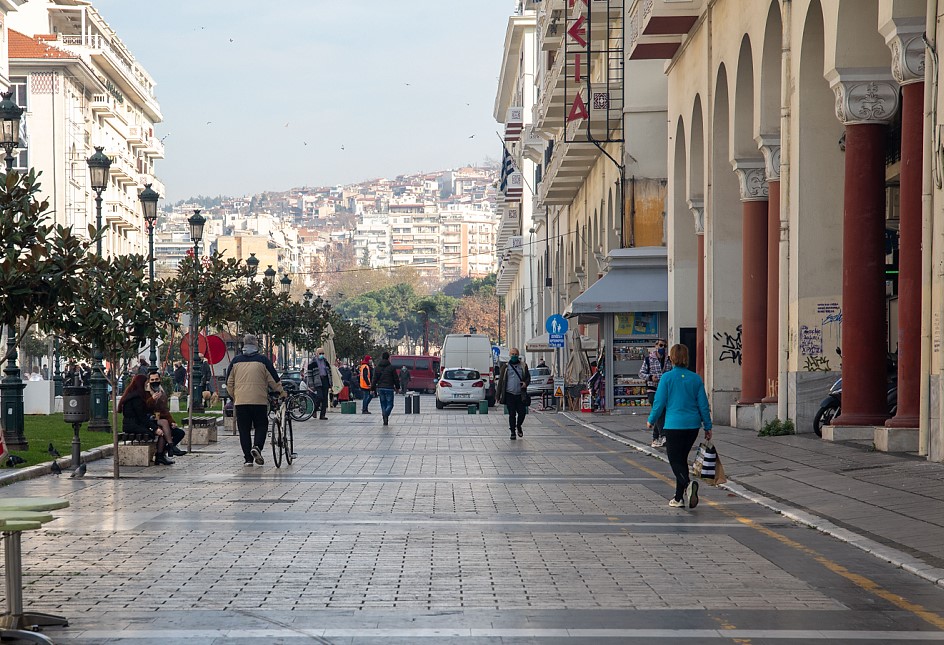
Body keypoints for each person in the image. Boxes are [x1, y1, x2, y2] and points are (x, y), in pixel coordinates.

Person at [647, 344, 712, 510]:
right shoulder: (695, 378)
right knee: (681, 460)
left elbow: (659, 402)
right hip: (692, 426)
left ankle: (689, 485)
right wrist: (708, 426)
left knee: (674, 460)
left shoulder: (667, 378)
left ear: (671, 358)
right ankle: (678, 498)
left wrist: (651, 419)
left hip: (674, 425)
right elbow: (703, 405)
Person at [226, 334, 286, 467]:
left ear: (243, 345)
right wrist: (281, 392)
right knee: (261, 425)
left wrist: (235, 397)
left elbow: (229, 383)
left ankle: (248, 459)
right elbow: (273, 380)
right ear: (256, 345)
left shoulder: (235, 361)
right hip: (259, 401)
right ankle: (257, 447)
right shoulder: (263, 360)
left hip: (241, 401)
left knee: (244, 430)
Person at [118, 374, 174, 466]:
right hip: (133, 425)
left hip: (133, 423)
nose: (146, 386)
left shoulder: (133, 394)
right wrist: (155, 429)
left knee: (162, 427)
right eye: (145, 384)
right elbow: (142, 417)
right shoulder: (136, 398)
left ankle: (163, 454)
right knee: (156, 433)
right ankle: (162, 454)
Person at [639, 338, 672, 448]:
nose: (662, 348)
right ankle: (663, 436)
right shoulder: (649, 359)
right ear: (656, 346)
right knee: (659, 410)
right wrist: (650, 377)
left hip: (664, 390)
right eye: (660, 345)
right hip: (652, 389)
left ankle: (655, 438)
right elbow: (641, 373)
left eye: (664, 346)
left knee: (661, 411)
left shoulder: (669, 359)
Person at [147, 372, 187, 456]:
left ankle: (167, 450)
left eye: (156, 379)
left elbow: (165, 410)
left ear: (160, 379)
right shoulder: (146, 392)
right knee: (163, 429)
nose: (155, 381)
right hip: (149, 421)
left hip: (160, 420)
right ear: (149, 381)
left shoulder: (162, 392)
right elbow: (144, 408)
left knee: (180, 433)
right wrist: (152, 399)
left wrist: (172, 422)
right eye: (152, 380)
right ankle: (167, 451)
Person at [497, 347, 531, 440]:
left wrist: (525, 383)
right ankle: (512, 432)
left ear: (518, 355)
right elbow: (501, 381)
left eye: (516, 354)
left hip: (520, 394)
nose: (514, 356)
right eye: (512, 354)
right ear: (509, 355)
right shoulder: (505, 367)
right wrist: (498, 395)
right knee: (512, 414)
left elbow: (528, 377)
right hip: (509, 394)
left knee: (522, 413)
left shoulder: (523, 366)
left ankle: (518, 425)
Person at [372, 352, 400, 426]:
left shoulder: (377, 368)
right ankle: (386, 414)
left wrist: (372, 388)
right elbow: (396, 378)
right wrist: (397, 387)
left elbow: (374, 379)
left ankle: (385, 415)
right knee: (390, 404)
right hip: (389, 388)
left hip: (380, 388)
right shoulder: (391, 368)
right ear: (388, 358)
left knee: (383, 403)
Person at [307, 347, 332, 420]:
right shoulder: (313, 363)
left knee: (325, 399)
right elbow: (309, 374)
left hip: (325, 381)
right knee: (320, 397)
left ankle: (322, 415)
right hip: (317, 381)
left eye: (322, 353)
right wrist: (311, 384)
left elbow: (329, 372)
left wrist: (331, 382)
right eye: (320, 353)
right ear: (316, 354)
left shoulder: (325, 362)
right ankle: (314, 410)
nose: (321, 355)